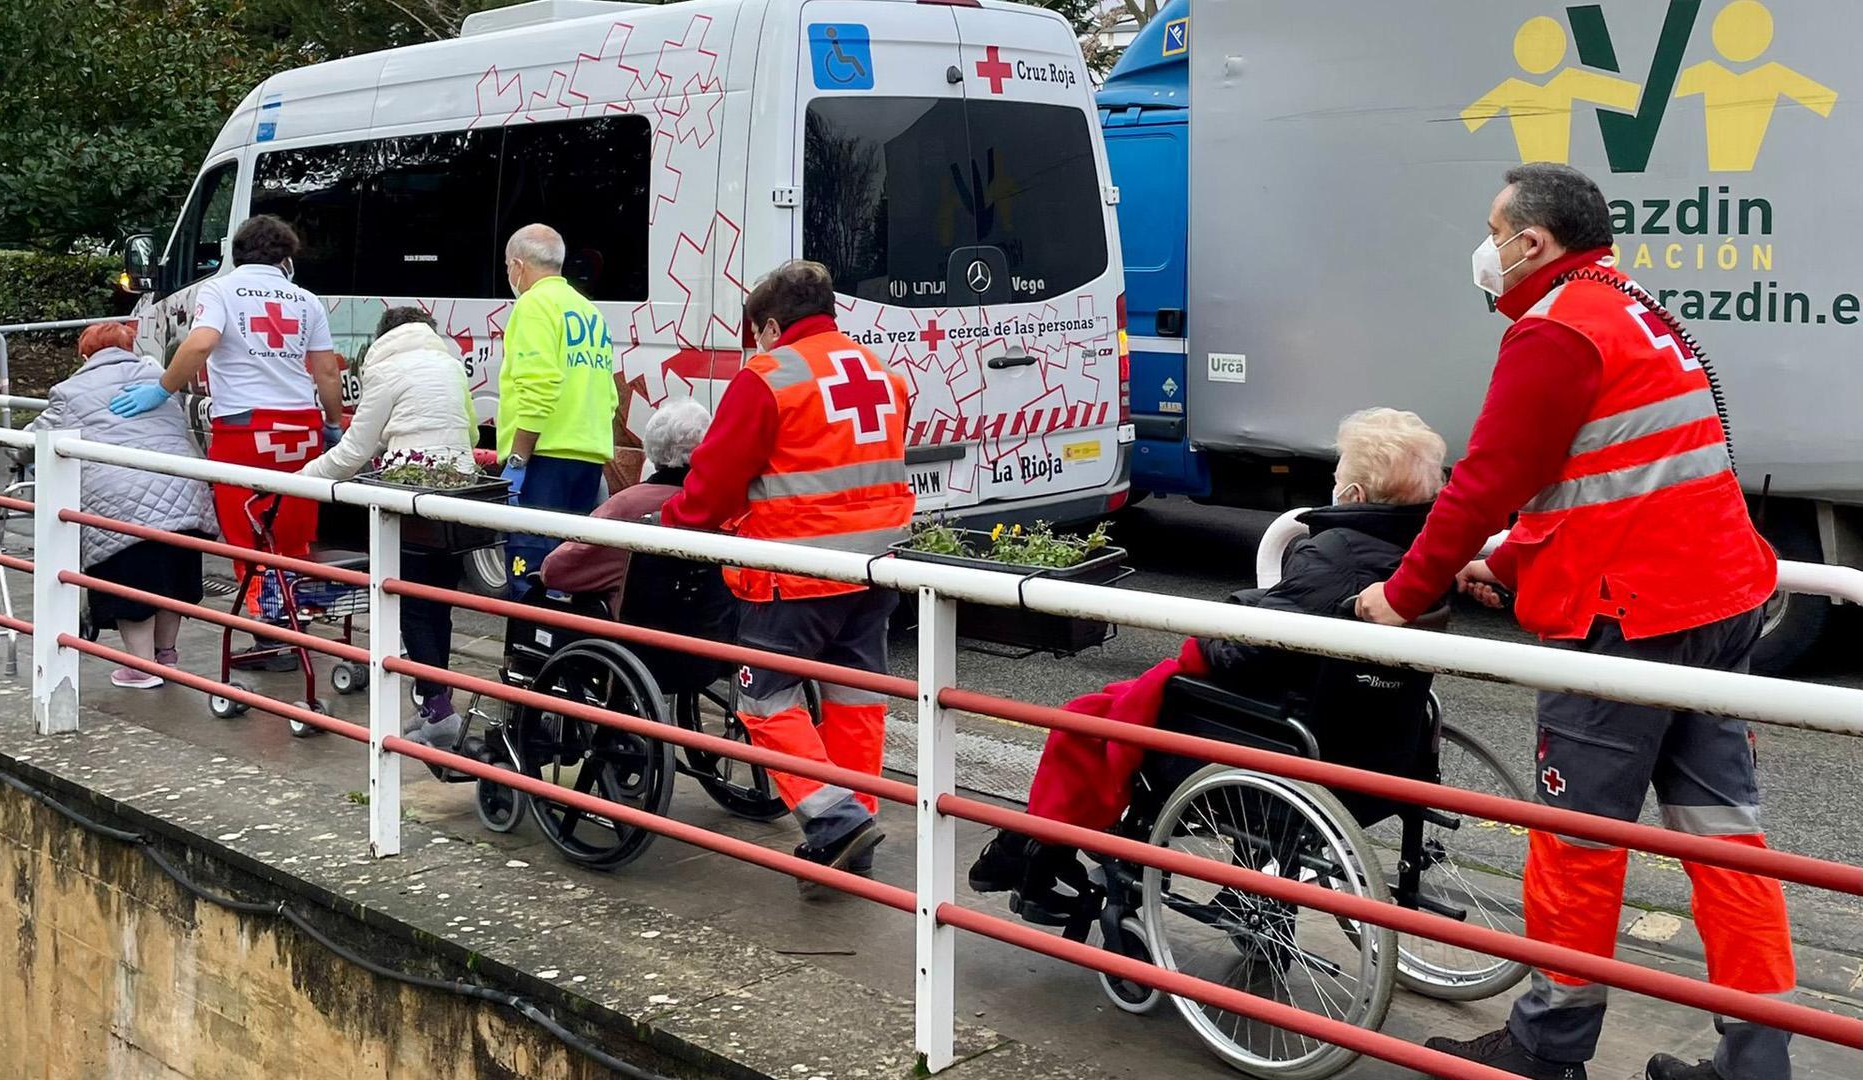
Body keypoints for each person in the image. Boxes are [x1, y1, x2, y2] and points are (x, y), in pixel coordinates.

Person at [1353, 164, 1788, 1080]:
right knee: (1725, 838)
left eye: (1492, 229)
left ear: (1532, 243)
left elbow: (1487, 480)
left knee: (1578, 843)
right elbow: (1609, 474)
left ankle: (1545, 1052)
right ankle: (1758, 1058)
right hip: (1719, 602)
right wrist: (1508, 562)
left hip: (1624, 623)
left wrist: (1401, 592)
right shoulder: (1632, 307)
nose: (1486, 248)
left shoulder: (1554, 333)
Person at [968, 408, 1446, 910]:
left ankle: (1033, 847)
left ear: (1355, 495)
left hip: (1286, 734)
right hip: (1375, 744)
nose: (1332, 482)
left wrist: (1218, 626)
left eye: (1338, 474)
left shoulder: (1334, 553)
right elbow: (1295, 616)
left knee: (1088, 719)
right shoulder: (1419, 558)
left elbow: (1247, 650)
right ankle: (1032, 845)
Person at [662, 260, 913, 888]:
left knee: (763, 698)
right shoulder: (881, 373)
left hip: (793, 572)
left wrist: (672, 520)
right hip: (876, 567)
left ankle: (834, 822)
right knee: (856, 697)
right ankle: (856, 833)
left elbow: (713, 485)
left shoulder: (769, 379)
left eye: (755, 333)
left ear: (771, 325)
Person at [111, 214, 345, 667]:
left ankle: (269, 636)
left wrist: (162, 387)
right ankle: (296, 627)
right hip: (301, 425)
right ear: (286, 258)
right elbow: (327, 370)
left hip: (246, 426)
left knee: (249, 532)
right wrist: (332, 425)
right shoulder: (306, 300)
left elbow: (200, 344)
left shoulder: (221, 290)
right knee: (293, 533)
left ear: (236, 254)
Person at [298, 306, 479, 747]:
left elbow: (351, 453)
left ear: (383, 337)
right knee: (439, 603)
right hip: (460, 493)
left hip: (411, 497)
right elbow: (469, 434)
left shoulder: (386, 369)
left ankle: (437, 711)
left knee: (410, 606)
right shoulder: (450, 365)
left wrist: (300, 478)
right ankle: (436, 704)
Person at [31, 323, 218, 688]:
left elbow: (33, 439)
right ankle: (167, 657)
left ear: (85, 356)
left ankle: (141, 668)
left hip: (120, 503)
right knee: (172, 578)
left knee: (131, 584)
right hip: (183, 489)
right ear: (130, 347)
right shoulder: (159, 378)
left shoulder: (68, 392)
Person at [496, 223, 618, 597]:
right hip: (587, 456)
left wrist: (517, 460)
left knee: (530, 575)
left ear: (518, 265)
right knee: (568, 573)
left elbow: (538, 384)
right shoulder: (587, 310)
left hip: (544, 460)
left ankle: (532, 654)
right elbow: (609, 393)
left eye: (507, 268)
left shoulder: (533, 305)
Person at [541, 399, 712, 617]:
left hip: (630, 628)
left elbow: (556, 570)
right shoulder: (721, 505)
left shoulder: (625, 506)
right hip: (703, 628)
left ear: (651, 447)